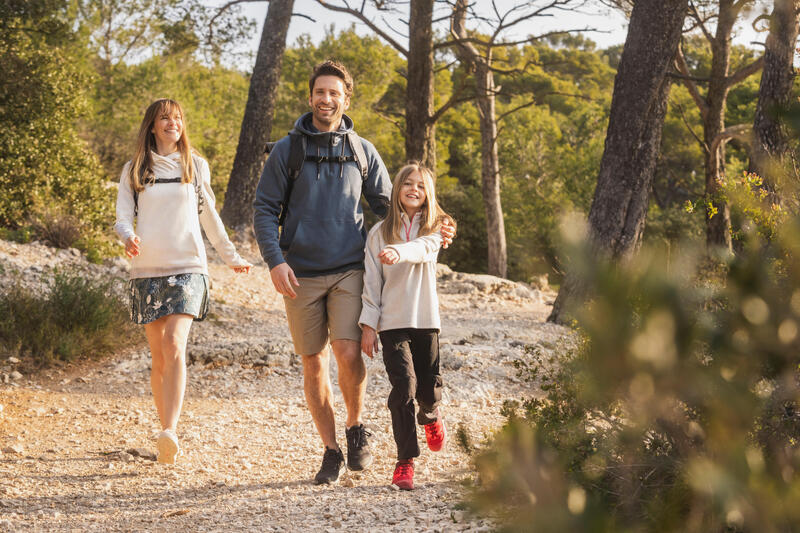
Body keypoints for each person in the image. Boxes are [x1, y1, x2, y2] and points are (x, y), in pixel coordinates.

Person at [254, 60, 455, 485]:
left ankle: (355, 426)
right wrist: (275, 261)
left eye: (335, 93)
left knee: (347, 354)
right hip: (299, 273)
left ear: (346, 100)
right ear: (310, 97)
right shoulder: (288, 150)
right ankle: (330, 451)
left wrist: (434, 225)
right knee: (313, 363)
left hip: (348, 268)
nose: (327, 99)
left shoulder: (362, 150)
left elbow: (393, 206)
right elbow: (264, 209)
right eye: (320, 92)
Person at [114, 98, 252, 464]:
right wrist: (128, 237)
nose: (172, 123)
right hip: (147, 270)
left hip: (189, 267)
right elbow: (122, 217)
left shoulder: (195, 165)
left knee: (175, 343)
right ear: (153, 126)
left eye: (177, 118)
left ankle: (170, 430)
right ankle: (164, 434)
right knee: (159, 355)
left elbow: (210, 218)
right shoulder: (135, 169)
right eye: (165, 118)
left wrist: (231, 257)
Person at [359, 162, 450, 490]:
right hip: (392, 324)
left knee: (427, 390)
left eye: (421, 186)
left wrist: (399, 251)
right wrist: (369, 324)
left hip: (425, 321)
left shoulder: (437, 228)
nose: (414, 189)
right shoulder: (377, 233)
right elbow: (370, 282)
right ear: (396, 189)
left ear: (428, 194)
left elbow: (425, 249)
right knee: (404, 389)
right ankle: (405, 461)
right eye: (407, 184)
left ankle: (432, 414)